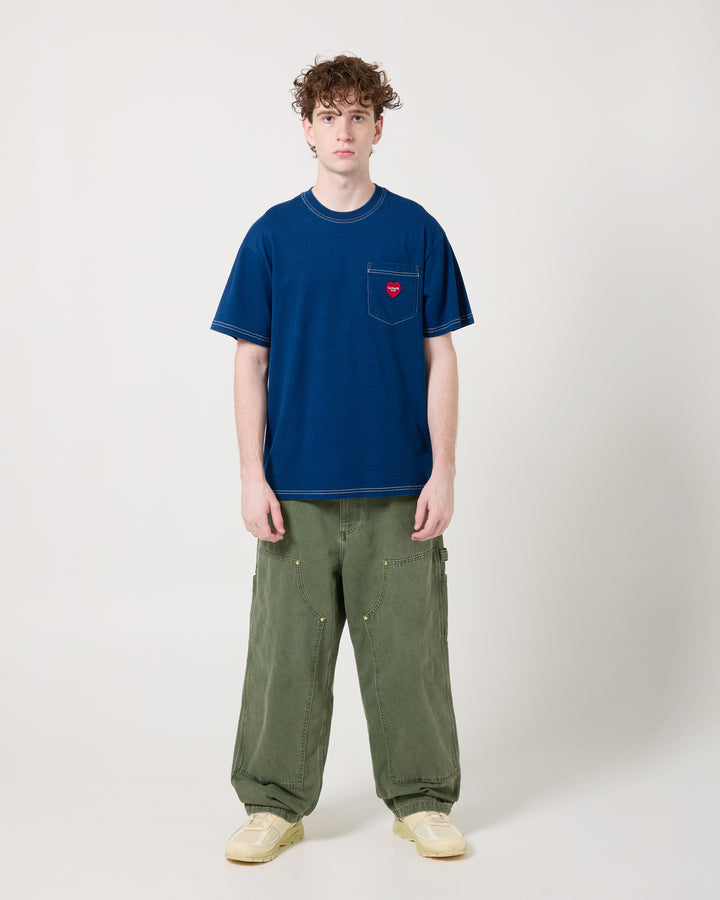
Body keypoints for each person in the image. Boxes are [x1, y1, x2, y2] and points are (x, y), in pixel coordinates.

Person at [211, 52, 474, 862]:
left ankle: (423, 800)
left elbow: (440, 357)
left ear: (379, 127)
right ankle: (273, 804)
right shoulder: (272, 237)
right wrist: (252, 476)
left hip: (399, 487)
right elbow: (249, 362)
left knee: (409, 654)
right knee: (285, 656)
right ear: (307, 128)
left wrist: (443, 471)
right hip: (296, 489)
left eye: (359, 115)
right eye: (330, 116)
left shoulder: (416, 230)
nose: (344, 130)